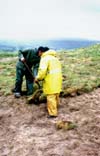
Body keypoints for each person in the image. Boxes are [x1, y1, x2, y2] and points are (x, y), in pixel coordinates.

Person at [34, 46, 62, 118]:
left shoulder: (45, 58)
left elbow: (42, 71)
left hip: (51, 80)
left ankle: (53, 114)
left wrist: (37, 78)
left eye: (38, 52)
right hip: (58, 79)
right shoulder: (54, 58)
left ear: (40, 52)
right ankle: (57, 106)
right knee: (56, 93)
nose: (38, 54)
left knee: (50, 96)